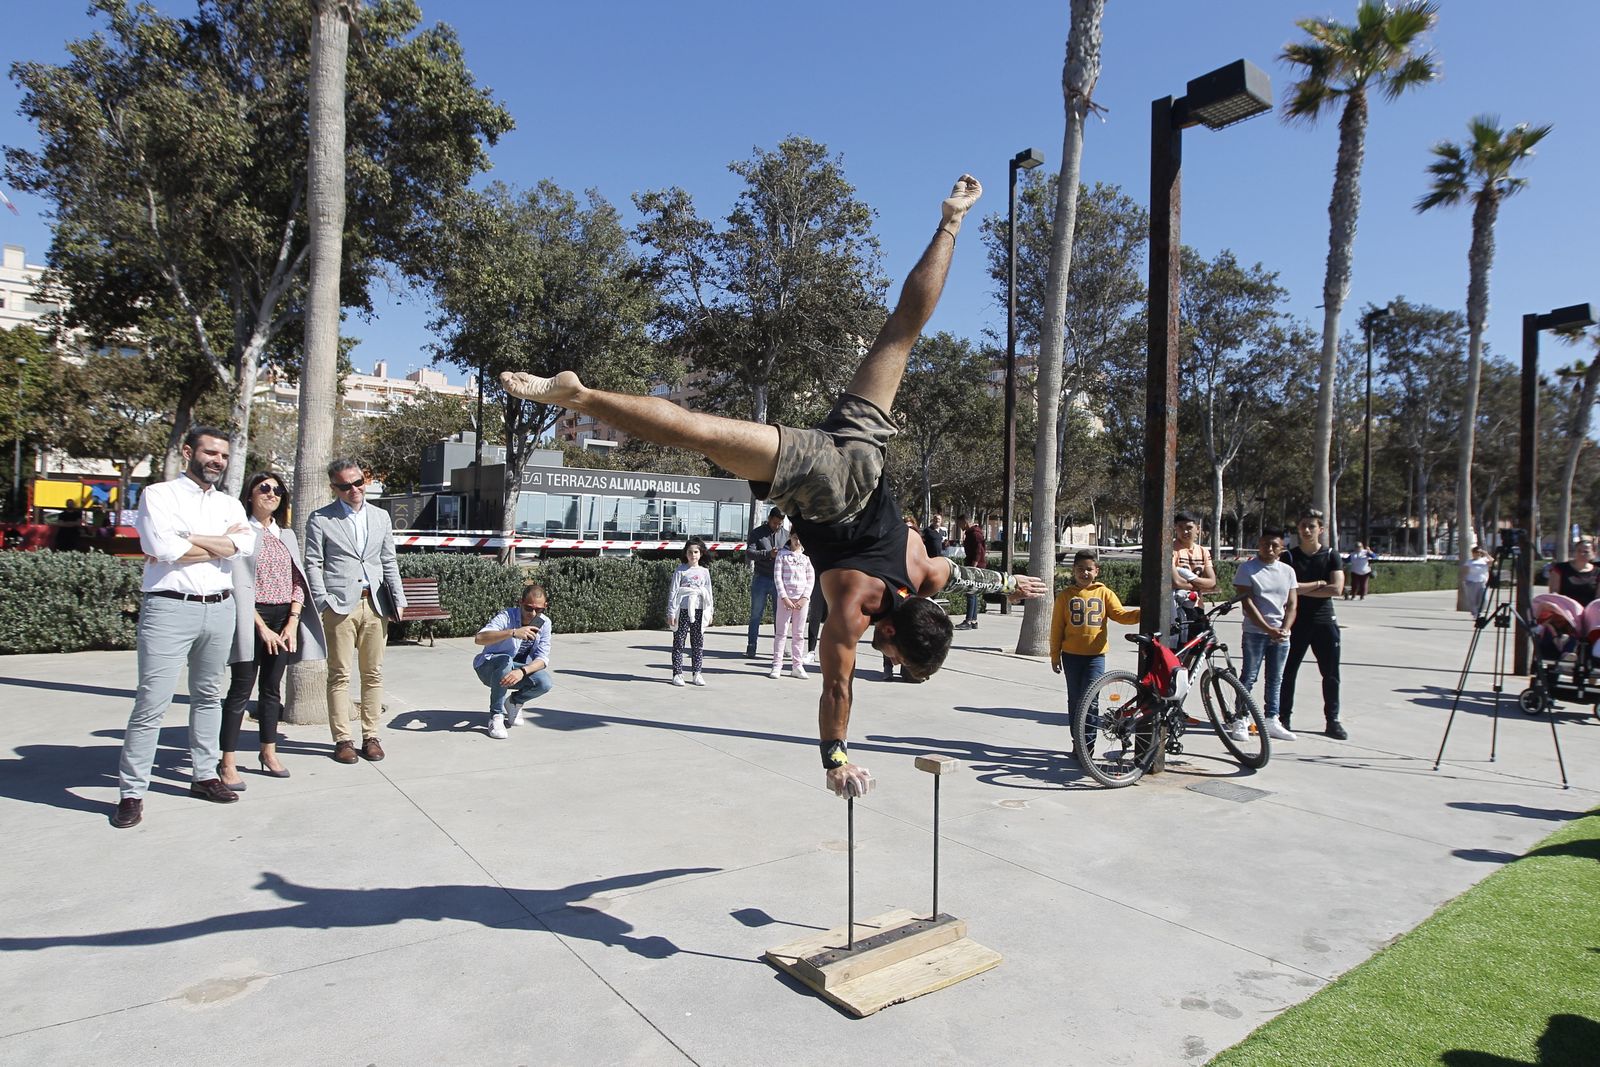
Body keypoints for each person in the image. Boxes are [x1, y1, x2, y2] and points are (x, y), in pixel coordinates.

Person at [501, 175, 1046, 798]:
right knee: (697, 432)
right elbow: (836, 688)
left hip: (865, 457)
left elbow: (963, 576)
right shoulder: (855, 610)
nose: (883, 661)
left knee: (900, 332)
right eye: (893, 659)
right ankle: (583, 395)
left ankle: (951, 221)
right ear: (891, 633)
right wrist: (834, 758)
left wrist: (1007, 583)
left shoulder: (927, 577)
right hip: (823, 485)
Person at [112, 427, 255, 829]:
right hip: (169, 610)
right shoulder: (159, 495)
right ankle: (131, 793)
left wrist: (188, 538)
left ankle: (204, 775)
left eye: (224, 456)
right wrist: (214, 544)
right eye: (211, 453)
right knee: (151, 703)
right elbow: (162, 549)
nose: (218, 461)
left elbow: (243, 547)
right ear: (189, 452)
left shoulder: (229, 503)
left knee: (209, 697)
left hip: (220, 607)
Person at [219, 472, 327, 786]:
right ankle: (227, 762)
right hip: (251, 619)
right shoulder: (240, 532)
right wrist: (261, 627)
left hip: (283, 620)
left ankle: (268, 752)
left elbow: (298, 580)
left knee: (271, 690)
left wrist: (292, 622)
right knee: (239, 692)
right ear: (250, 495)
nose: (272, 494)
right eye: (264, 488)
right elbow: (238, 584)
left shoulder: (286, 534)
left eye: (277, 490)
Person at [303, 457, 408, 764]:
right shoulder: (321, 518)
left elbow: (388, 560)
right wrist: (323, 600)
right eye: (346, 486)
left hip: (375, 604)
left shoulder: (380, 517)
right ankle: (343, 739)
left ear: (366, 480)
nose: (354, 490)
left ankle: (371, 735)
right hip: (339, 606)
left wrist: (398, 599)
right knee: (339, 674)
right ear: (334, 488)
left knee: (373, 673)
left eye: (358, 482)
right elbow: (313, 562)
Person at [1050, 550, 1139, 756]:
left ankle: (1087, 746)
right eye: (1080, 569)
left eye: (1089, 569)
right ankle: (1077, 743)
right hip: (1071, 657)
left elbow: (1120, 615)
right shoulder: (1065, 596)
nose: (1084, 573)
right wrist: (1055, 655)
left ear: (1096, 571)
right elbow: (1056, 627)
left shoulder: (1104, 593)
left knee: (1091, 701)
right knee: (1075, 700)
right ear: (1073, 571)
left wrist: (1142, 613)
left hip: (1095, 658)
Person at [1279, 509, 1347, 739]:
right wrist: (1319, 584)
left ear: (1321, 529)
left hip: (1324, 621)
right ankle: (1283, 718)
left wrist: (1300, 588)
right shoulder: (1288, 557)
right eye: (1302, 526)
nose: (1306, 530)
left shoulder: (1331, 555)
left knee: (1330, 674)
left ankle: (1333, 720)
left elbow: (1336, 589)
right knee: (1287, 673)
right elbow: (1287, 589)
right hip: (1296, 622)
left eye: (1311, 526)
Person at [1233, 527, 1298, 741]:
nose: (1269, 548)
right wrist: (1267, 629)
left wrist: (1285, 629)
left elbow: (1292, 604)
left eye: (1274, 545)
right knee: (1249, 676)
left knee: (1275, 678)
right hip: (1255, 632)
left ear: (1281, 548)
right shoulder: (1247, 569)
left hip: (1281, 634)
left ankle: (1271, 719)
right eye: (1264, 544)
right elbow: (1247, 604)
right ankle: (1240, 719)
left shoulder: (1287, 571)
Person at [473, 583, 554, 738]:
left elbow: (542, 659)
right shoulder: (507, 616)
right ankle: (496, 716)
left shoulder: (544, 623)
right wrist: (512, 633)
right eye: (529, 608)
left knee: (545, 683)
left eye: (539, 609)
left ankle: (514, 702)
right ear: (520, 603)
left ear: (545, 606)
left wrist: (522, 671)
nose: (533, 613)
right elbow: (479, 638)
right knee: (505, 661)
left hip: (517, 671)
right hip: (489, 668)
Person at [883, 514, 925, 683]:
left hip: (912, 596)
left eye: (911, 528)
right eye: (905, 529)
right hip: (897, 594)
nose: (908, 532)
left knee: (909, 633)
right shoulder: (892, 548)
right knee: (889, 630)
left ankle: (909, 669)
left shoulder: (919, 549)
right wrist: (902, 593)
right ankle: (887, 667)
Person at [667, 536, 714, 687]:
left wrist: (710, 611)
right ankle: (677, 673)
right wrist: (671, 612)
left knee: (698, 643)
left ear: (701, 554)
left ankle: (697, 673)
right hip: (682, 610)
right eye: (690, 552)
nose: (693, 555)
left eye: (696, 552)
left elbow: (708, 592)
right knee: (679, 642)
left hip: (699, 610)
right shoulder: (680, 571)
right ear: (685, 554)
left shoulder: (704, 572)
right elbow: (674, 592)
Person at [771, 528, 814, 679]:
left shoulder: (806, 558)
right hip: (785, 599)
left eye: (800, 539)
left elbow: (810, 579)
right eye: (795, 538)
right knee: (781, 633)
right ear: (790, 537)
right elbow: (778, 578)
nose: (798, 541)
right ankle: (777, 665)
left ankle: (797, 666)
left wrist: (805, 597)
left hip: (801, 600)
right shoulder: (782, 556)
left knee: (798, 634)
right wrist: (784, 597)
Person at [745, 508, 785, 658]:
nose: (777, 526)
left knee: (780, 616)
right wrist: (768, 554)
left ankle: (780, 647)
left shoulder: (785, 535)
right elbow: (749, 553)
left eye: (780, 524)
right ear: (769, 518)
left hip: (779, 579)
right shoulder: (757, 533)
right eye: (775, 523)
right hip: (761, 577)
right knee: (756, 614)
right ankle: (751, 645)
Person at [1547, 539, 1598, 608]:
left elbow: (1598, 598)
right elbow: (1554, 592)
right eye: (1579, 551)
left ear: (1594, 553)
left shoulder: (1597, 572)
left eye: (1586, 552)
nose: (1581, 554)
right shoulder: (1560, 568)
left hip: (1589, 610)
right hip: (1564, 608)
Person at [956, 514, 986, 629]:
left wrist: (973, 566)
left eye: (959, 523)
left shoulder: (975, 534)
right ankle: (973, 620)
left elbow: (978, 551)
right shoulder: (971, 533)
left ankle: (968, 621)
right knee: (973, 593)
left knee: (970, 593)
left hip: (975, 567)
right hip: (973, 565)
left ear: (965, 522)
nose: (959, 526)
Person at [1460, 544, 1491, 617]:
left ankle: (1479, 610)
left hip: (1482, 582)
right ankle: (1475, 613)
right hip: (1471, 582)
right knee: (1472, 599)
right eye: (1475, 552)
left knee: (1484, 599)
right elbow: (1465, 571)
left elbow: (1494, 562)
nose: (1477, 554)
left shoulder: (1484, 560)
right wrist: (1464, 581)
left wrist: (1486, 554)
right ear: (1473, 553)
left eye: (1479, 553)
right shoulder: (1469, 562)